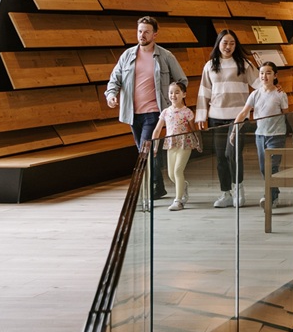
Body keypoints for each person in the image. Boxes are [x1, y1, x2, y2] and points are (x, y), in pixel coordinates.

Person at [104, 16, 187, 200]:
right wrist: (111, 95)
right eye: (140, 31)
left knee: (145, 150)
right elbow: (114, 79)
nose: (142, 35)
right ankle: (159, 186)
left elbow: (181, 80)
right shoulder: (127, 56)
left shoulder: (165, 56)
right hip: (133, 114)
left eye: (146, 31)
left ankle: (146, 190)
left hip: (154, 113)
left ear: (155, 34)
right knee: (149, 151)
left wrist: (174, 100)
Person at [196, 29, 257, 208]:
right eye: (224, 43)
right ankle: (226, 193)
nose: (228, 46)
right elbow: (203, 92)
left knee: (232, 154)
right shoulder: (210, 65)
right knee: (221, 157)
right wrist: (201, 115)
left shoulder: (244, 64)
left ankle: (239, 189)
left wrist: (274, 89)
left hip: (237, 117)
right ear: (218, 44)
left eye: (231, 43)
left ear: (236, 45)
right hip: (216, 117)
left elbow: (259, 85)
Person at [234, 62, 289, 209]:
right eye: (262, 73)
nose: (264, 76)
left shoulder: (280, 94)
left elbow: (287, 114)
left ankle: (269, 197)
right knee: (264, 169)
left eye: (268, 73)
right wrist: (234, 130)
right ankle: (274, 193)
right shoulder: (255, 94)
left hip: (276, 135)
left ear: (275, 75)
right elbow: (244, 112)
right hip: (260, 136)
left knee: (272, 167)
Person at [152, 79, 200, 211]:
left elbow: (193, 129)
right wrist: (155, 146)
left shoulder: (187, 112)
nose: (173, 95)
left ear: (184, 94)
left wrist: (198, 142)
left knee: (178, 171)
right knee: (171, 174)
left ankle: (178, 200)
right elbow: (157, 130)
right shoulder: (166, 112)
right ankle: (183, 186)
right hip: (171, 144)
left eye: (177, 92)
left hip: (185, 143)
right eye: (171, 92)